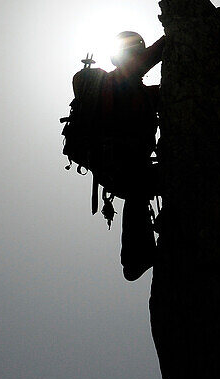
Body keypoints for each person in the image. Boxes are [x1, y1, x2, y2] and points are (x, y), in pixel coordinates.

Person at [69, 31, 165, 280]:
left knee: (145, 189)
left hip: (114, 165)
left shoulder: (140, 92)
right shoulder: (119, 79)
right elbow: (151, 57)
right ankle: (134, 259)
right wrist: (175, 34)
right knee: (139, 190)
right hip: (117, 160)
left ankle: (143, 252)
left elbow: (167, 93)